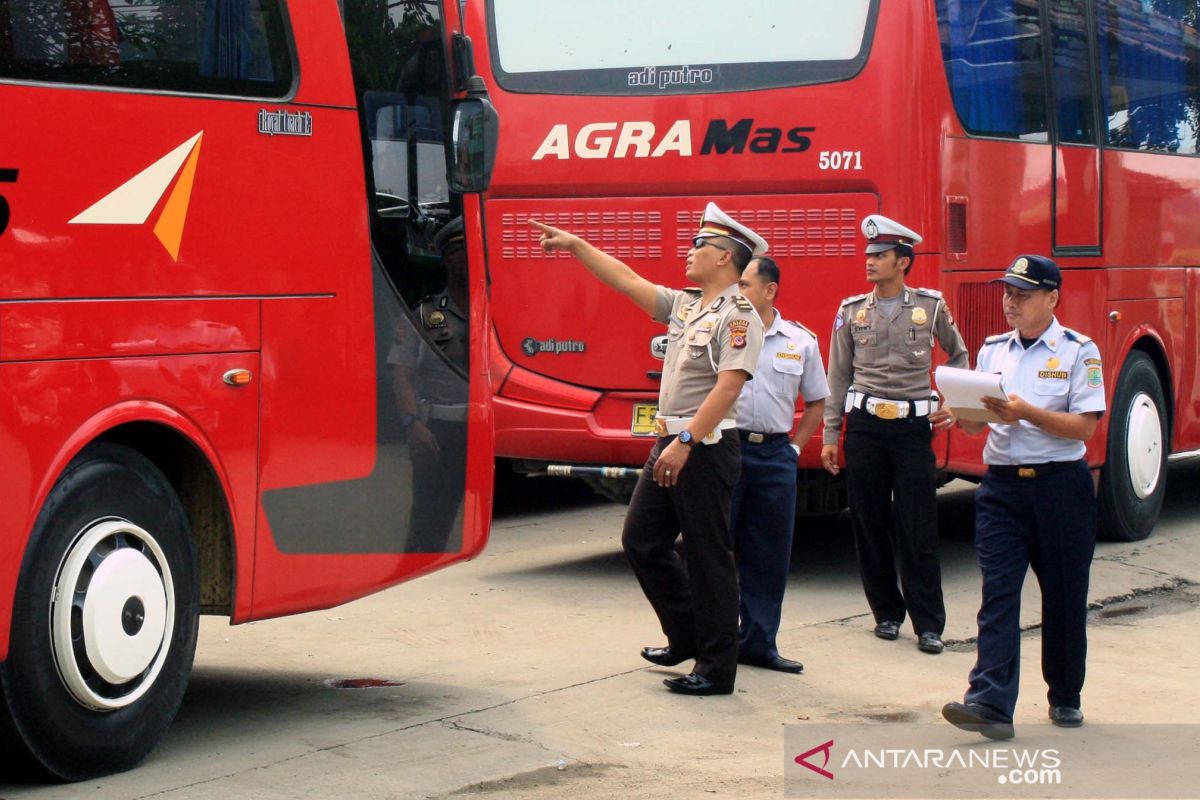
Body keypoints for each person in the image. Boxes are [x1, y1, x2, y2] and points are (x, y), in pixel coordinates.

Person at [531, 203, 766, 696]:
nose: (690, 252)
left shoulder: (739, 318)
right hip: (671, 440)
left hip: (703, 446)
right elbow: (625, 279)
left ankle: (716, 668)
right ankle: (685, 635)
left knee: (708, 556)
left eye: (700, 246)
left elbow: (728, 388)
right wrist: (576, 246)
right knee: (641, 540)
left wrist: (684, 442)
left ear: (725, 258)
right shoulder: (686, 305)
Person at [942, 254, 1105, 740]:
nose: (1010, 302)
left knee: (1063, 596)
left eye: (1023, 294)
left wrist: (1024, 412)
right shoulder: (994, 351)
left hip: (1061, 487)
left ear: (1052, 298)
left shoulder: (1079, 351)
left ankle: (1065, 693)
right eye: (1007, 293)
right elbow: (978, 424)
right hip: (1003, 488)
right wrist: (962, 412)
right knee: (998, 593)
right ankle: (990, 700)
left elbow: (1085, 427)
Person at [821, 214, 968, 654]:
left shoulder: (931, 307)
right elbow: (838, 377)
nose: (869, 262)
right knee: (869, 522)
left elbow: (958, 356)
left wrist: (952, 402)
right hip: (864, 427)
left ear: (903, 262)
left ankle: (929, 624)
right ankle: (886, 613)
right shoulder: (851, 311)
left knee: (917, 523)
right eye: (868, 255)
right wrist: (832, 433)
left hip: (910, 428)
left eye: (880, 256)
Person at [730, 255, 828, 674]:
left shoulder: (799, 341)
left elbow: (818, 400)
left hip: (774, 456)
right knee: (717, 548)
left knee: (768, 554)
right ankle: (713, 639)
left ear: (770, 290)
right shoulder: (727, 332)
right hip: (727, 450)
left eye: (746, 285)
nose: (739, 293)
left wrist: (794, 449)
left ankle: (760, 643)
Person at [388, 217, 470, 551]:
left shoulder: (499, 308)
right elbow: (401, 374)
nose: (471, 260)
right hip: (441, 429)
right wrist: (413, 426)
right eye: (462, 252)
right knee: (429, 520)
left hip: (492, 427)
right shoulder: (424, 315)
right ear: (448, 259)